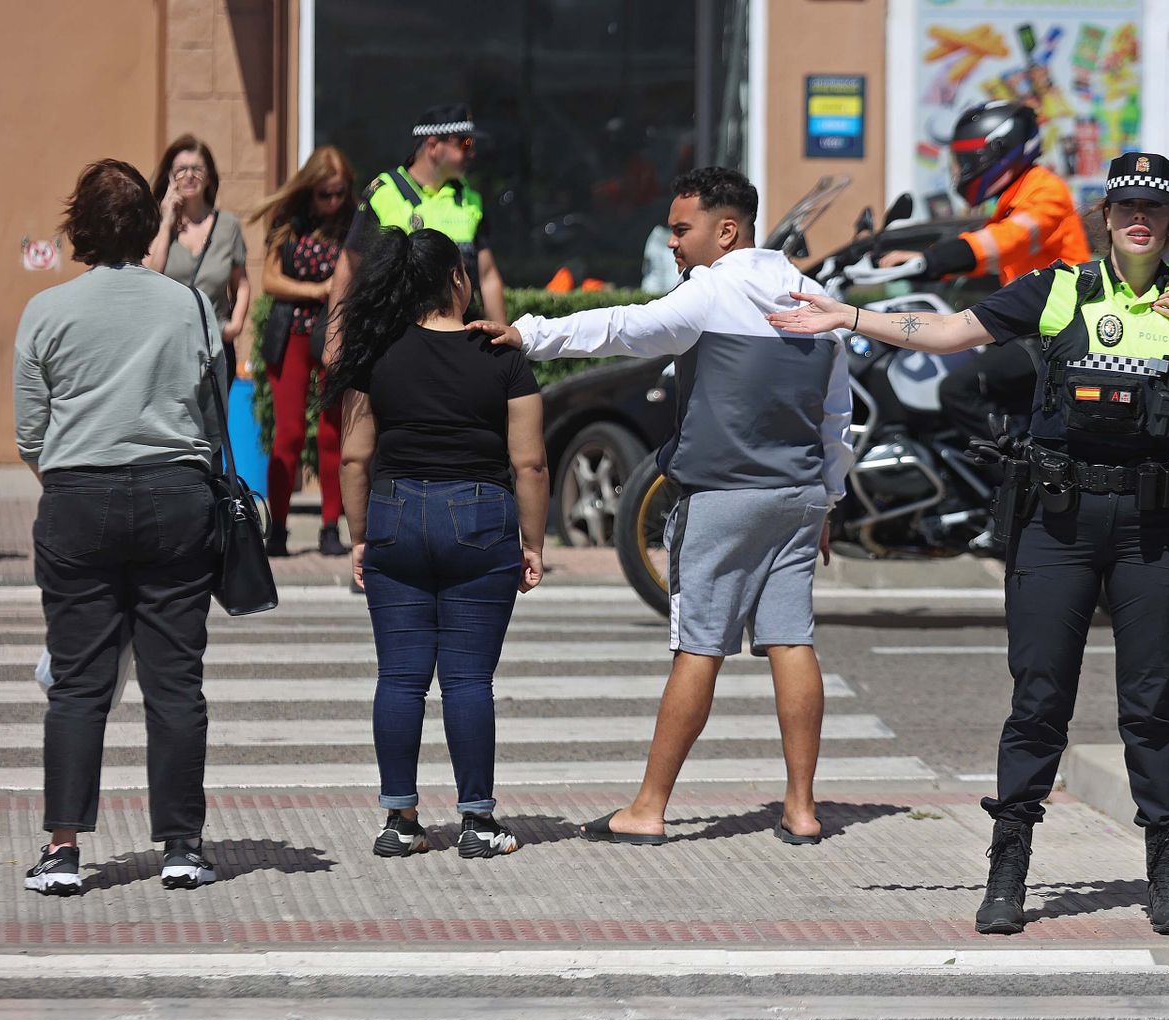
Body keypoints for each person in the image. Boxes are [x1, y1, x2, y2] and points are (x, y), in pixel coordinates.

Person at [768, 152, 1169, 936]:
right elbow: (950, 331)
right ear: (1106, 217)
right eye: (1126, 207)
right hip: (1057, 526)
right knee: (1037, 702)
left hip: (1156, 530)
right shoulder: (1058, 287)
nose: (1140, 220)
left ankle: (1168, 871)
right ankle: (1009, 868)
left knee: (1152, 706)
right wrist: (848, 316)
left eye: (1155, 211)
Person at [469, 167, 853, 846]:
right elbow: (836, 415)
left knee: (698, 649)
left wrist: (528, 332)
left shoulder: (712, 289)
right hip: (797, 496)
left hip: (723, 496)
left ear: (725, 230)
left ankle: (648, 806)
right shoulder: (817, 296)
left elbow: (626, 327)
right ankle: (801, 808)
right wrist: (830, 497)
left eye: (682, 228)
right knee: (792, 640)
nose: (672, 242)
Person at [14, 158, 229, 895]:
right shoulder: (192, 307)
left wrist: (76, 478)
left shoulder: (46, 311)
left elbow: (28, 431)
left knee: (78, 683)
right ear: (147, 228)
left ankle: (64, 850)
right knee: (176, 682)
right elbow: (212, 414)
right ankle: (181, 844)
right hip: (176, 497)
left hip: (77, 498)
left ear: (80, 227)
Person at [324, 227, 546, 861]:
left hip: (395, 515)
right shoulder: (501, 354)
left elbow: (355, 458)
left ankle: (399, 820)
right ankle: (477, 823)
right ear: (456, 279)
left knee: (400, 678)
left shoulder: (376, 351)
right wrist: (533, 542)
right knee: (468, 679)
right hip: (480, 518)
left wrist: (359, 535)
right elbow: (529, 463)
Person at [879, 101, 1092, 444]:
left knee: (957, 390)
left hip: (1059, 333)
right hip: (1027, 326)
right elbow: (985, 252)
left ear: (999, 151)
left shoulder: (1046, 191)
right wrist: (920, 263)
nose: (963, 168)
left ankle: (1012, 479)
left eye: (968, 158)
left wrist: (930, 261)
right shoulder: (1015, 197)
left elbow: (1004, 242)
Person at [325, 104, 507, 362]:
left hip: (458, 343)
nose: (472, 152)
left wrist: (503, 341)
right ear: (433, 146)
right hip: (393, 344)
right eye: (465, 143)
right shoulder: (384, 193)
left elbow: (488, 276)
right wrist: (335, 337)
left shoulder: (469, 199)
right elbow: (349, 264)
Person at [247, 145, 357, 557]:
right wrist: (318, 289)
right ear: (309, 190)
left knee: (334, 434)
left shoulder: (354, 221)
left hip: (336, 332)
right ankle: (277, 529)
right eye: (324, 194)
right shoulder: (289, 221)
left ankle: (332, 527)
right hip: (290, 331)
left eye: (339, 192)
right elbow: (271, 280)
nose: (332, 202)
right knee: (288, 434)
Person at [146, 134, 251, 382]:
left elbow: (242, 283)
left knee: (214, 420)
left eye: (197, 169)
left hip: (215, 348)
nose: (189, 176)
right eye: (181, 170)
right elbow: (149, 276)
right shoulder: (158, 227)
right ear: (170, 177)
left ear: (209, 175)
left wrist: (234, 326)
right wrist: (166, 221)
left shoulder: (228, 226)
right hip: (170, 347)